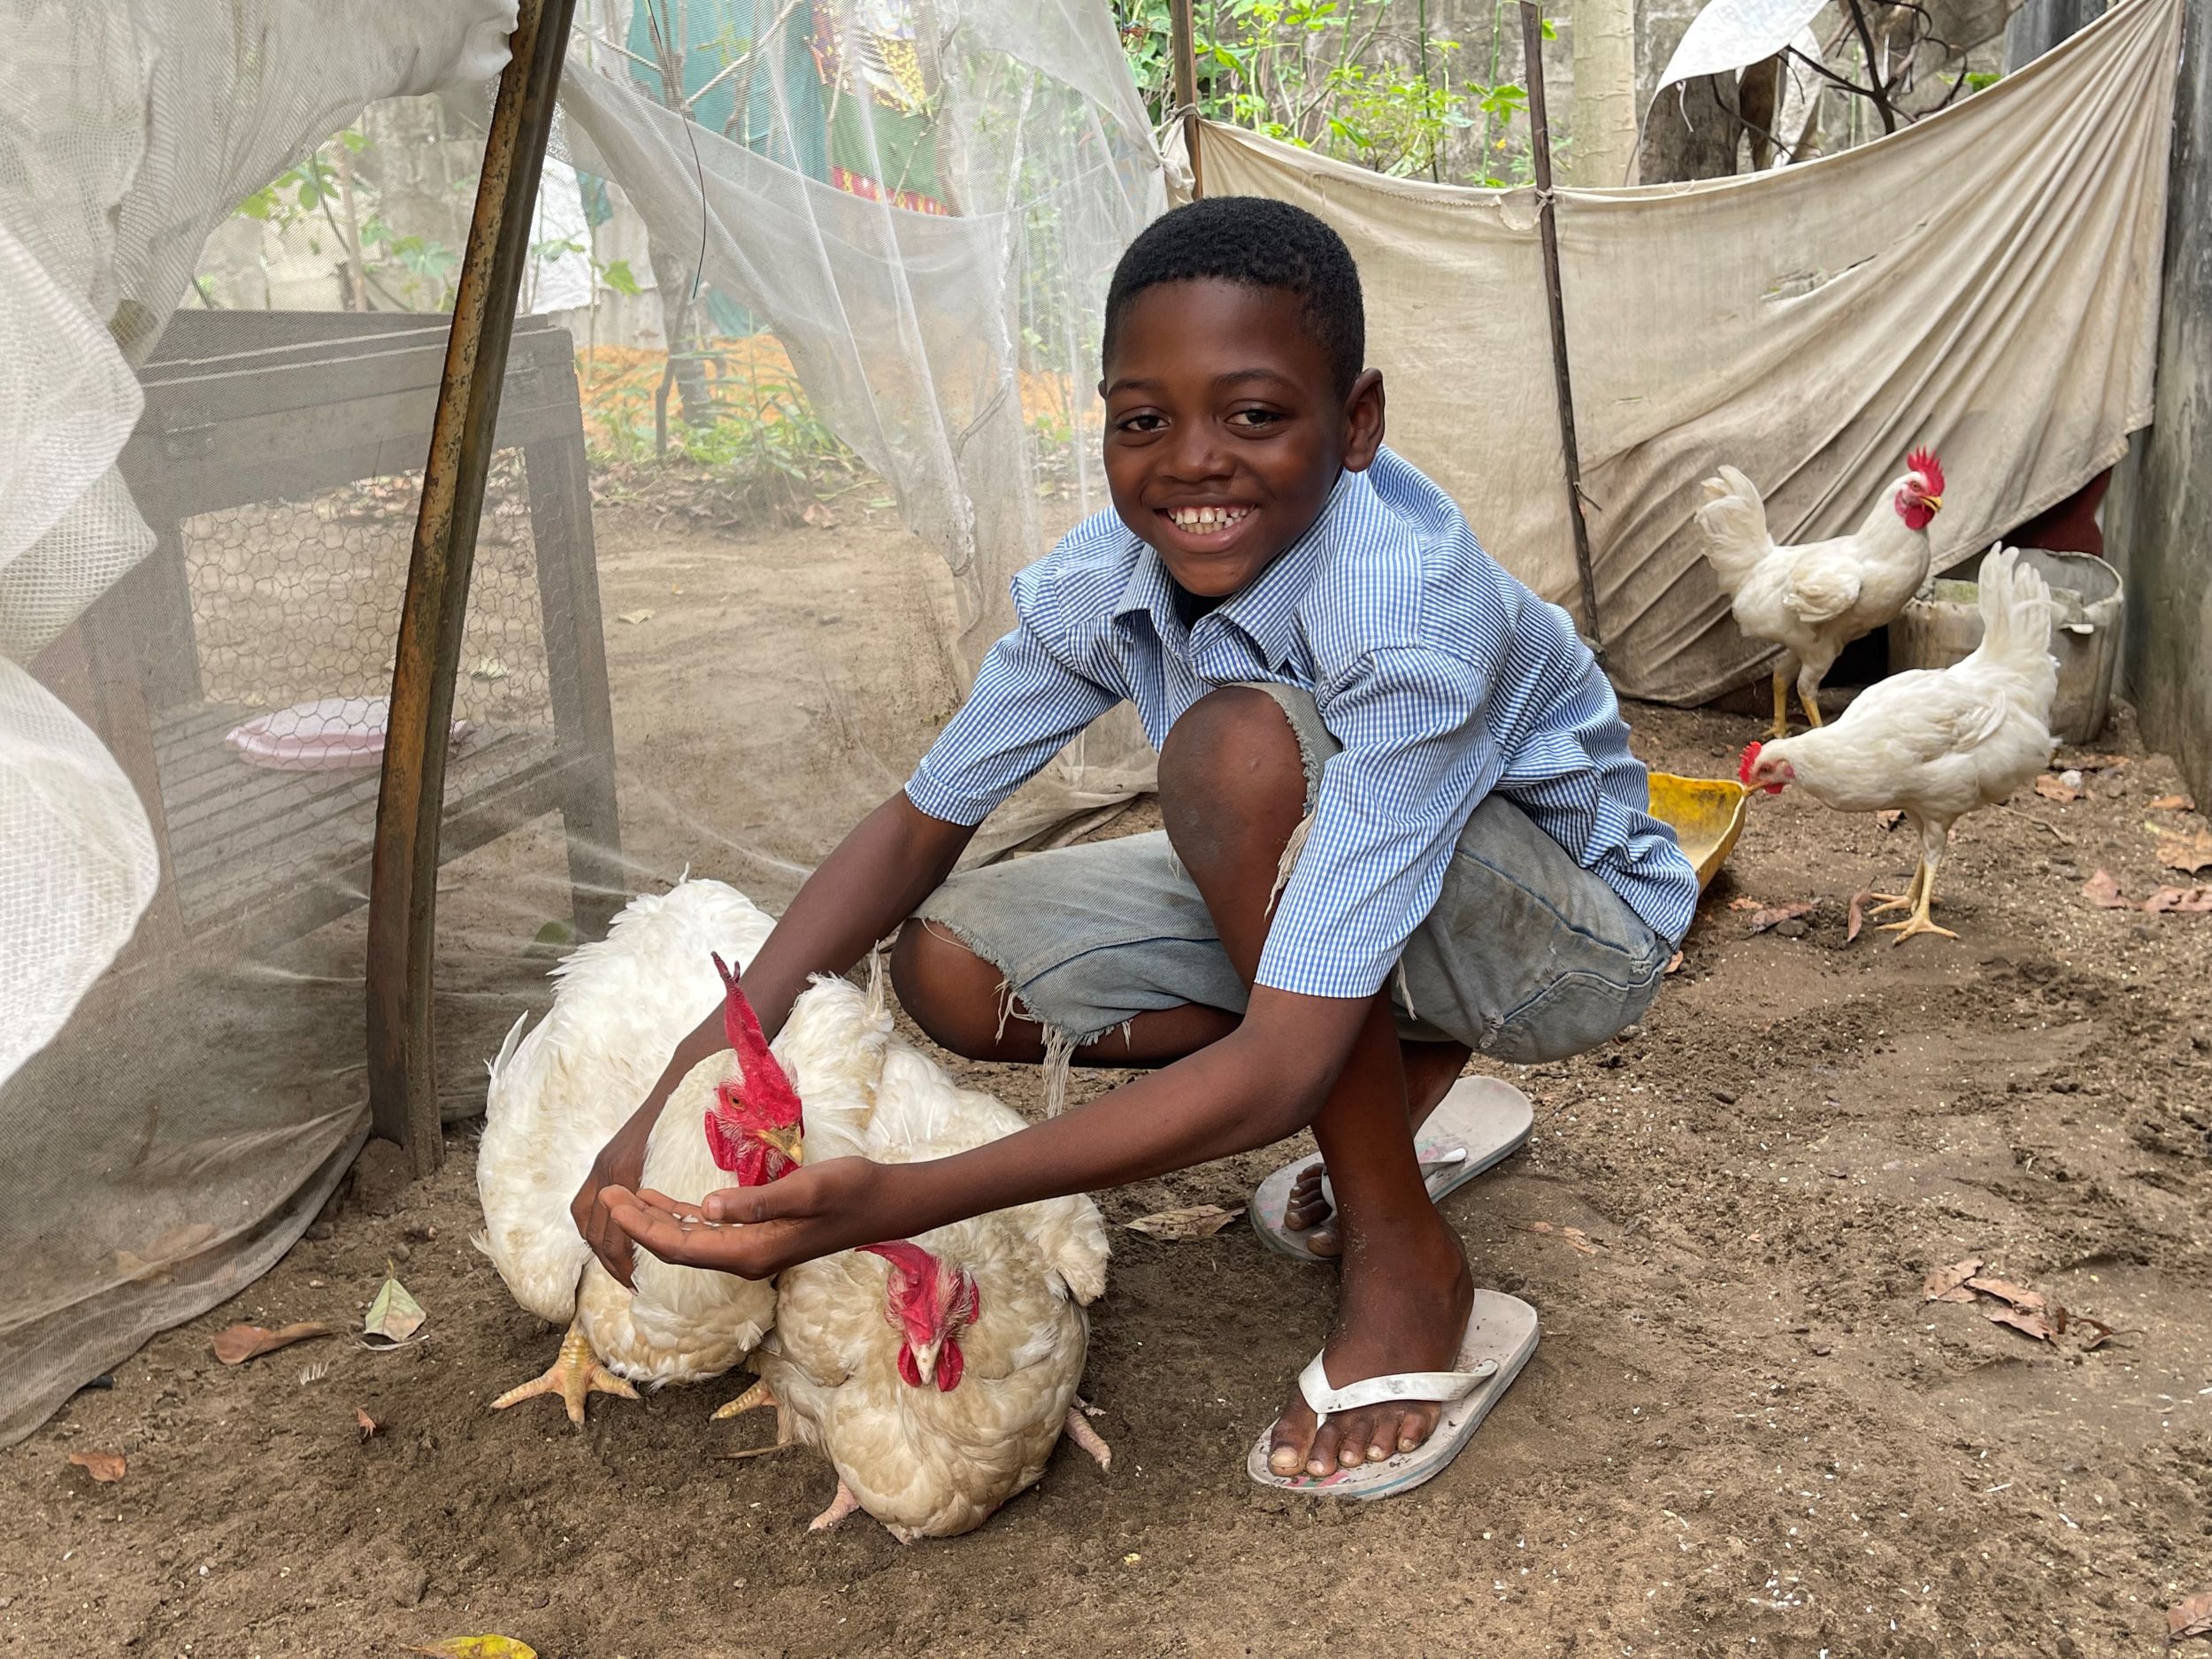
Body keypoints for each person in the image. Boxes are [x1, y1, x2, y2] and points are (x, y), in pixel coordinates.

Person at [575, 196, 1699, 1493]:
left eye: (1255, 415)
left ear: (1358, 422)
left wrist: (899, 1201)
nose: (1194, 464)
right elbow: (918, 827)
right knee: (955, 967)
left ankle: (1409, 1263)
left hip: (1570, 938)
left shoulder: (1407, 611)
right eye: (1143, 421)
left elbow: (1277, 1071)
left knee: (1233, 757)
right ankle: (1393, 1082)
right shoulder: (1113, 574)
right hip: (1357, 878)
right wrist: (678, 1086)